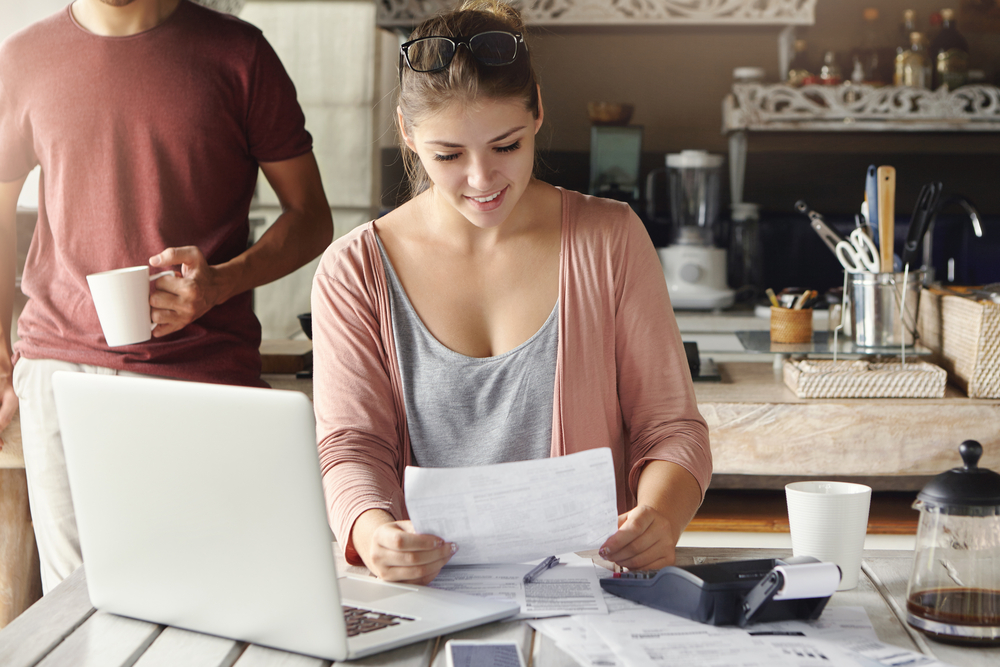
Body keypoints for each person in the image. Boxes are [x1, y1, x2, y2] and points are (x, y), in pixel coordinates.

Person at [311, 0, 710, 585]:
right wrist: (372, 532)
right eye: (449, 155)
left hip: (588, 591)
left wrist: (660, 516)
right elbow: (352, 446)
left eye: (506, 146)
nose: (482, 180)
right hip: (427, 595)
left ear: (539, 111)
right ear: (406, 131)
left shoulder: (610, 238)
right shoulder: (354, 270)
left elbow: (671, 428)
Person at [0, 0, 333, 593]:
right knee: (78, 607)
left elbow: (310, 217)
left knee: (202, 599)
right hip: (59, 368)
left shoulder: (240, 56)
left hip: (202, 373)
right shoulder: (24, 58)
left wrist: (222, 282)